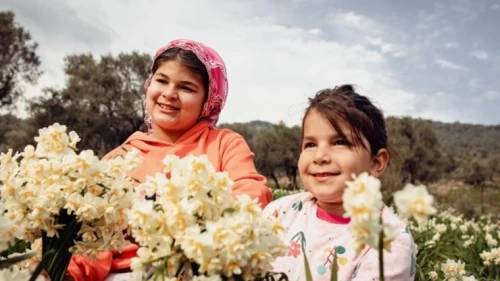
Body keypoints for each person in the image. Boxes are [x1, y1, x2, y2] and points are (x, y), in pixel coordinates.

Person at [64, 39, 273, 281]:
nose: (169, 94)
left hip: (201, 267)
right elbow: (92, 236)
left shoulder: (224, 144)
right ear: (149, 85)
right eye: (161, 81)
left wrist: (188, 227)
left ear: (207, 101)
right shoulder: (121, 158)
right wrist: (66, 272)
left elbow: (253, 194)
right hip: (125, 273)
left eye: (186, 88)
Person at [262, 85, 416, 281]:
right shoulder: (279, 212)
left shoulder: (389, 242)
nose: (319, 156)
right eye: (310, 144)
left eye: (340, 142)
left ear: (376, 163)